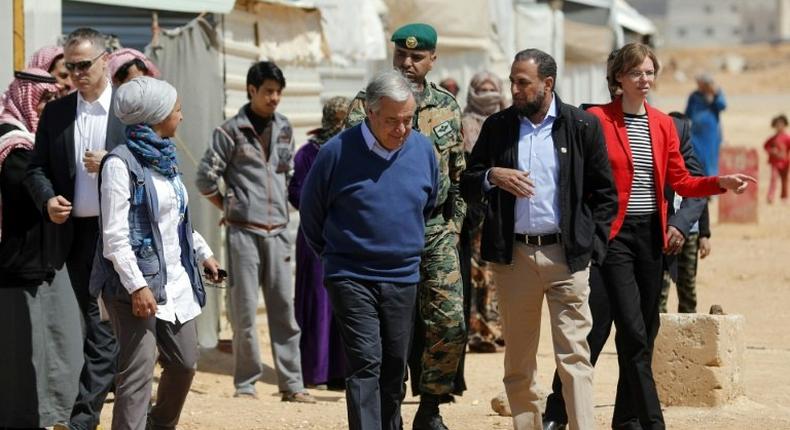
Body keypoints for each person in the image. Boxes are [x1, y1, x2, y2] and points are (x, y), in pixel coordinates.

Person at [583, 42, 754, 430]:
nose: (645, 80)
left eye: (649, 72)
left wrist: (719, 182)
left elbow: (681, 180)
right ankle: (652, 422)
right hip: (615, 237)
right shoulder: (596, 120)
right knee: (632, 331)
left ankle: (626, 419)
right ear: (618, 79)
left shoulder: (663, 124)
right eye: (636, 73)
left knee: (645, 329)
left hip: (652, 238)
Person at [460, 48, 619, 430]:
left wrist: (590, 250)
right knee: (518, 363)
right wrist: (491, 176)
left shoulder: (580, 125)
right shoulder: (498, 127)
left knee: (575, 360)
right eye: (512, 80)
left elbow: (605, 196)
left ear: (547, 84)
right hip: (514, 260)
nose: (513, 88)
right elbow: (467, 180)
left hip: (567, 260)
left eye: (522, 82)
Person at [299, 69, 438, 430]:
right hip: (351, 275)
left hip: (403, 276)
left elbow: (428, 204)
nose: (402, 129)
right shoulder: (335, 153)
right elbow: (311, 215)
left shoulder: (423, 150)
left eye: (408, 120)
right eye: (392, 120)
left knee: (395, 365)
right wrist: (336, 259)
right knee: (365, 363)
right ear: (371, 112)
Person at [346, 23, 467, 429]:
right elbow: (343, 172)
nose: (407, 63)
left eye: (417, 57)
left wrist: (454, 227)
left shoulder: (448, 107)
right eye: (401, 54)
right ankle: (387, 409)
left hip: (434, 231)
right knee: (387, 330)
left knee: (449, 323)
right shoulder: (366, 103)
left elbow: (460, 177)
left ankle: (430, 406)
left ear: (433, 60)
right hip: (382, 234)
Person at [90, 76, 220, 430]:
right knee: (136, 375)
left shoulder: (165, 159)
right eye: (177, 110)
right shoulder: (119, 164)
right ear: (156, 115)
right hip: (134, 284)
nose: (181, 116)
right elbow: (114, 237)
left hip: (175, 280)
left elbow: (173, 221)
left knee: (185, 362)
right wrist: (137, 287)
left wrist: (203, 254)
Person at [195, 61, 314, 403]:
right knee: (244, 312)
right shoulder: (229, 132)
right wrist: (230, 207)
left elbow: (288, 176)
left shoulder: (286, 128)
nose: (275, 98)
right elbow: (205, 177)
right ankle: (246, 384)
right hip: (242, 234)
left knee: (283, 311)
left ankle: (292, 384)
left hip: (278, 232)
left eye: (278, 92)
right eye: (268, 91)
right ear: (251, 91)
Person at [25, 28, 124, 430]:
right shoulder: (58, 113)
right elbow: (36, 169)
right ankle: (89, 417)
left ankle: (93, 416)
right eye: (71, 66)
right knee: (99, 325)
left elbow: (158, 162)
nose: (78, 73)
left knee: (117, 326)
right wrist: (48, 200)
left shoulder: (128, 109)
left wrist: (115, 160)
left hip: (123, 233)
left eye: (85, 65)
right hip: (79, 237)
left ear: (105, 61)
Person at [0, 68, 83, 430]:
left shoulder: (34, 143)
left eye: (54, 99)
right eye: (44, 99)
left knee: (58, 347)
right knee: (22, 356)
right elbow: (27, 192)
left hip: (44, 259)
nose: (50, 105)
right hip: (18, 263)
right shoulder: (13, 143)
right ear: (26, 97)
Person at [287, 95, 350, 389]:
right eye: (336, 119)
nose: (341, 125)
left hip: (348, 238)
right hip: (316, 238)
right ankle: (315, 371)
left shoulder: (356, 150)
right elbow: (296, 192)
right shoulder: (307, 154)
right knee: (317, 301)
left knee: (346, 303)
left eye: (345, 119)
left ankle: (341, 372)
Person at [459, 71, 507, 353]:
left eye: (493, 89)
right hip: (475, 213)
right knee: (478, 272)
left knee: (504, 272)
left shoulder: (511, 123)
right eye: (482, 89)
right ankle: (478, 332)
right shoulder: (463, 124)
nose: (487, 94)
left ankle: (502, 330)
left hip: (507, 212)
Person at [685, 72, 726, 176]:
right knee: (696, 159)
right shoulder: (694, 96)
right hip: (696, 135)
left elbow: (723, 105)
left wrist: (714, 95)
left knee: (710, 161)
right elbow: (687, 113)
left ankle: (710, 184)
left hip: (711, 136)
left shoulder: (716, 93)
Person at [763, 114, 789, 204]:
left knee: (784, 180)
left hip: (785, 163)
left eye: (781, 125)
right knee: (773, 179)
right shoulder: (772, 139)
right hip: (775, 163)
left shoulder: (787, 138)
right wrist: (771, 151)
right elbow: (765, 146)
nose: (779, 127)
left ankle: (784, 197)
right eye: (777, 125)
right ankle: (770, 196)